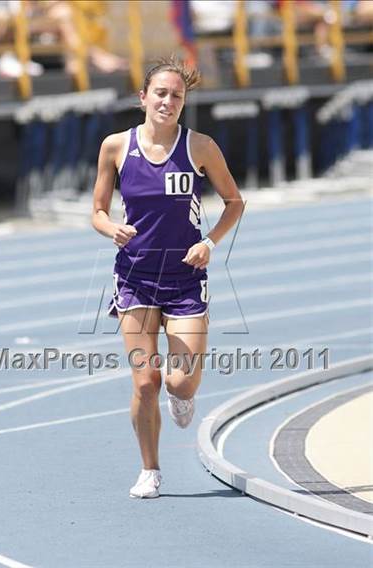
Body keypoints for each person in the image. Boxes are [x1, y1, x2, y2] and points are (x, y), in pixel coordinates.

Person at [92, 55, 243, 499]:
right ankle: (150, 470)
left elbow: (234, 201)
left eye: (177, 95)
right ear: (143, 98)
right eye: (160, 93)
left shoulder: (200, 147)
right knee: (145, 380)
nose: (168, 101)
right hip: (135, 277)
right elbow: (98, 210)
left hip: (184, 279)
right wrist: (110, 228)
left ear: (183, 102)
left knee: (179, 381)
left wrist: (209, 243)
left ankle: (184, 394)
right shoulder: (116, 147)